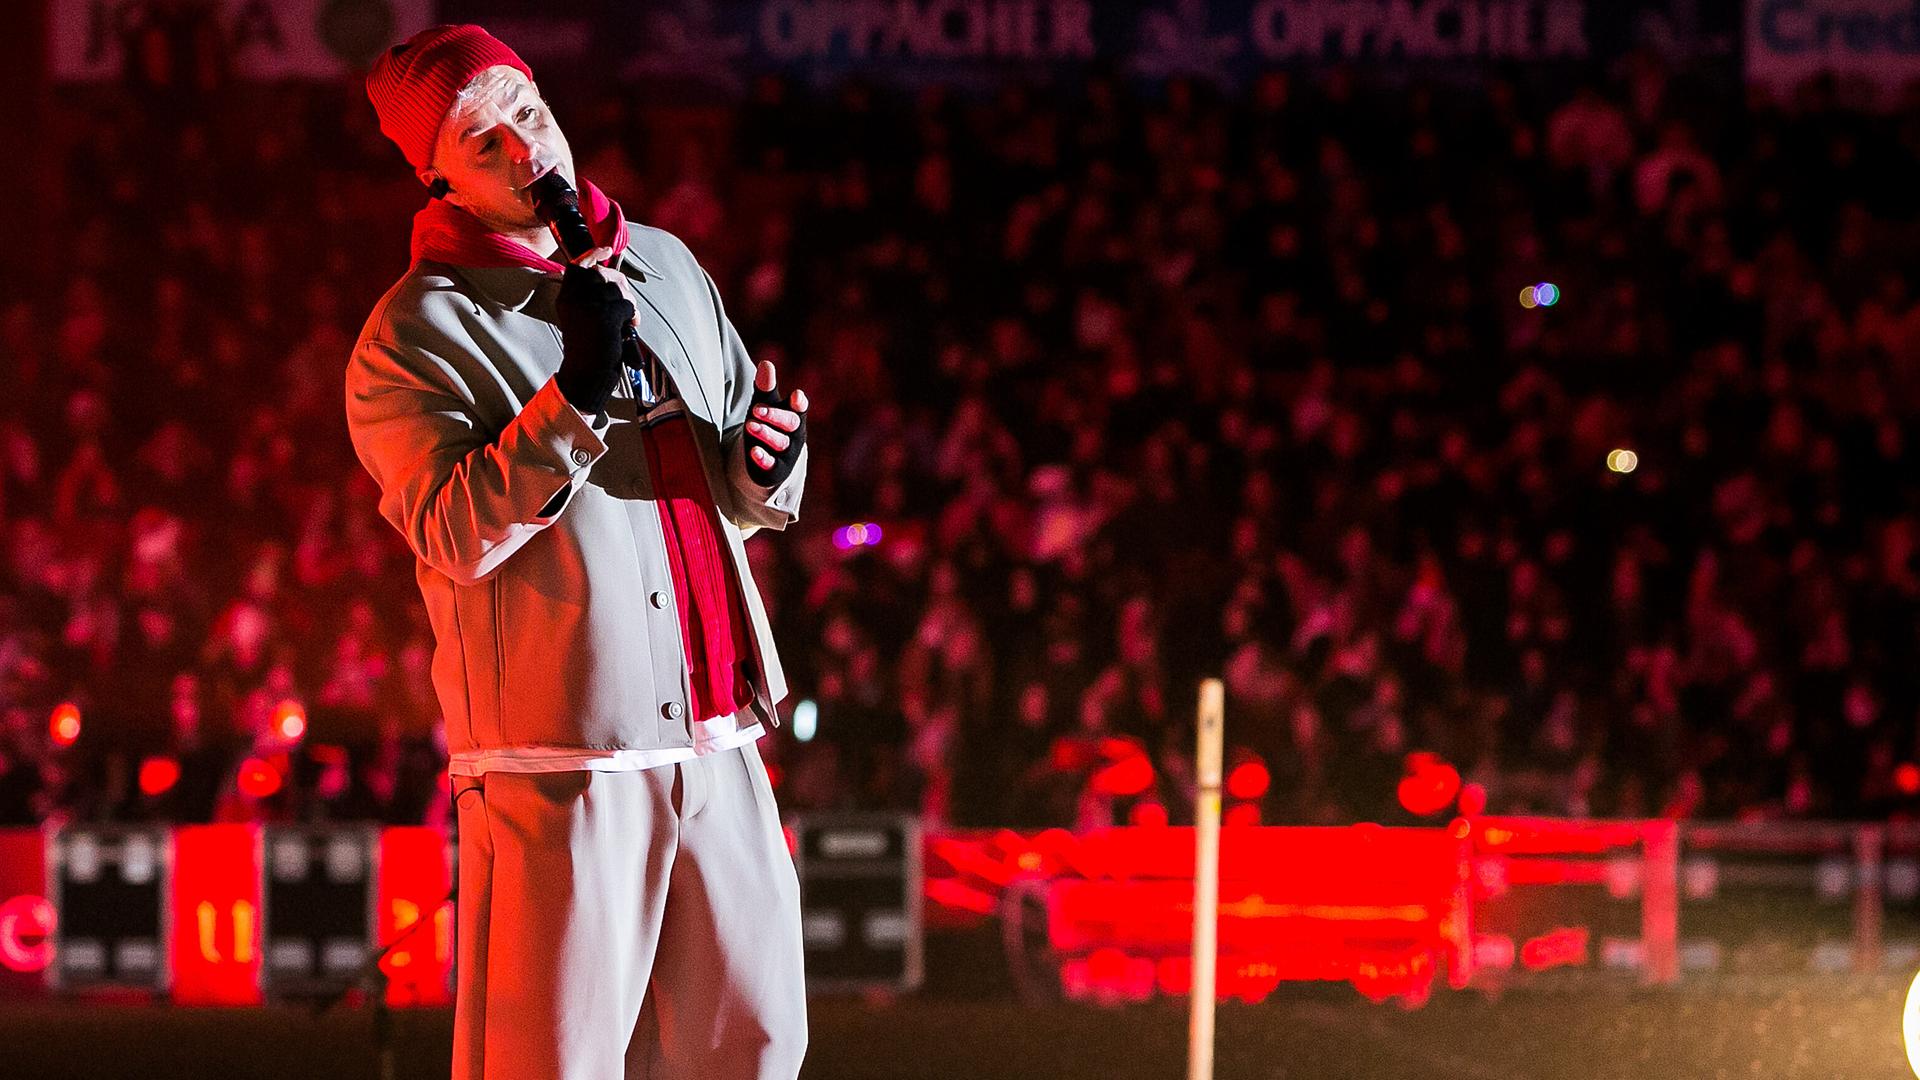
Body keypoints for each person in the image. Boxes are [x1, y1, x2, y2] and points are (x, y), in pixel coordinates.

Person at [346, 24, 811, 1079]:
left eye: (524, 107)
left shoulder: (669, 264)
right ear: (436, 177)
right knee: (548, 1067)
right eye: (480, 139)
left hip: (721, 735)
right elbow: (454, 532)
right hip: (561, 764)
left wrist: (766, 464)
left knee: (759, 1047)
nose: (522, 145)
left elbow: (734, 484)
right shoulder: (411, 332)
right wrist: (574, 397)